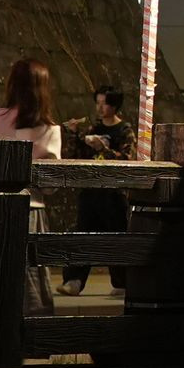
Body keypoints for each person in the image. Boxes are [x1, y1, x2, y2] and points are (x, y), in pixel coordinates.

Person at [0, 58, 65, 308]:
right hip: (30, 209)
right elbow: (50, 185)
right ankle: (30, 328)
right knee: (30, 279)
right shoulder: (49, 129)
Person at [66, 85, 132, 292]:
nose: (100, 108)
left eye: (105, 104)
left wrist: (105, 149)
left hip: (113, 192)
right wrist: (74, 135)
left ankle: (121, 282)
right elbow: (75, 156)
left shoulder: (124, 130)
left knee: (116, 237)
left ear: (115, 106)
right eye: (98, 103)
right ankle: (74, 280)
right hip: (91, 189)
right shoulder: (93, 130)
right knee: (82, 234)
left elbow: (128, 159)